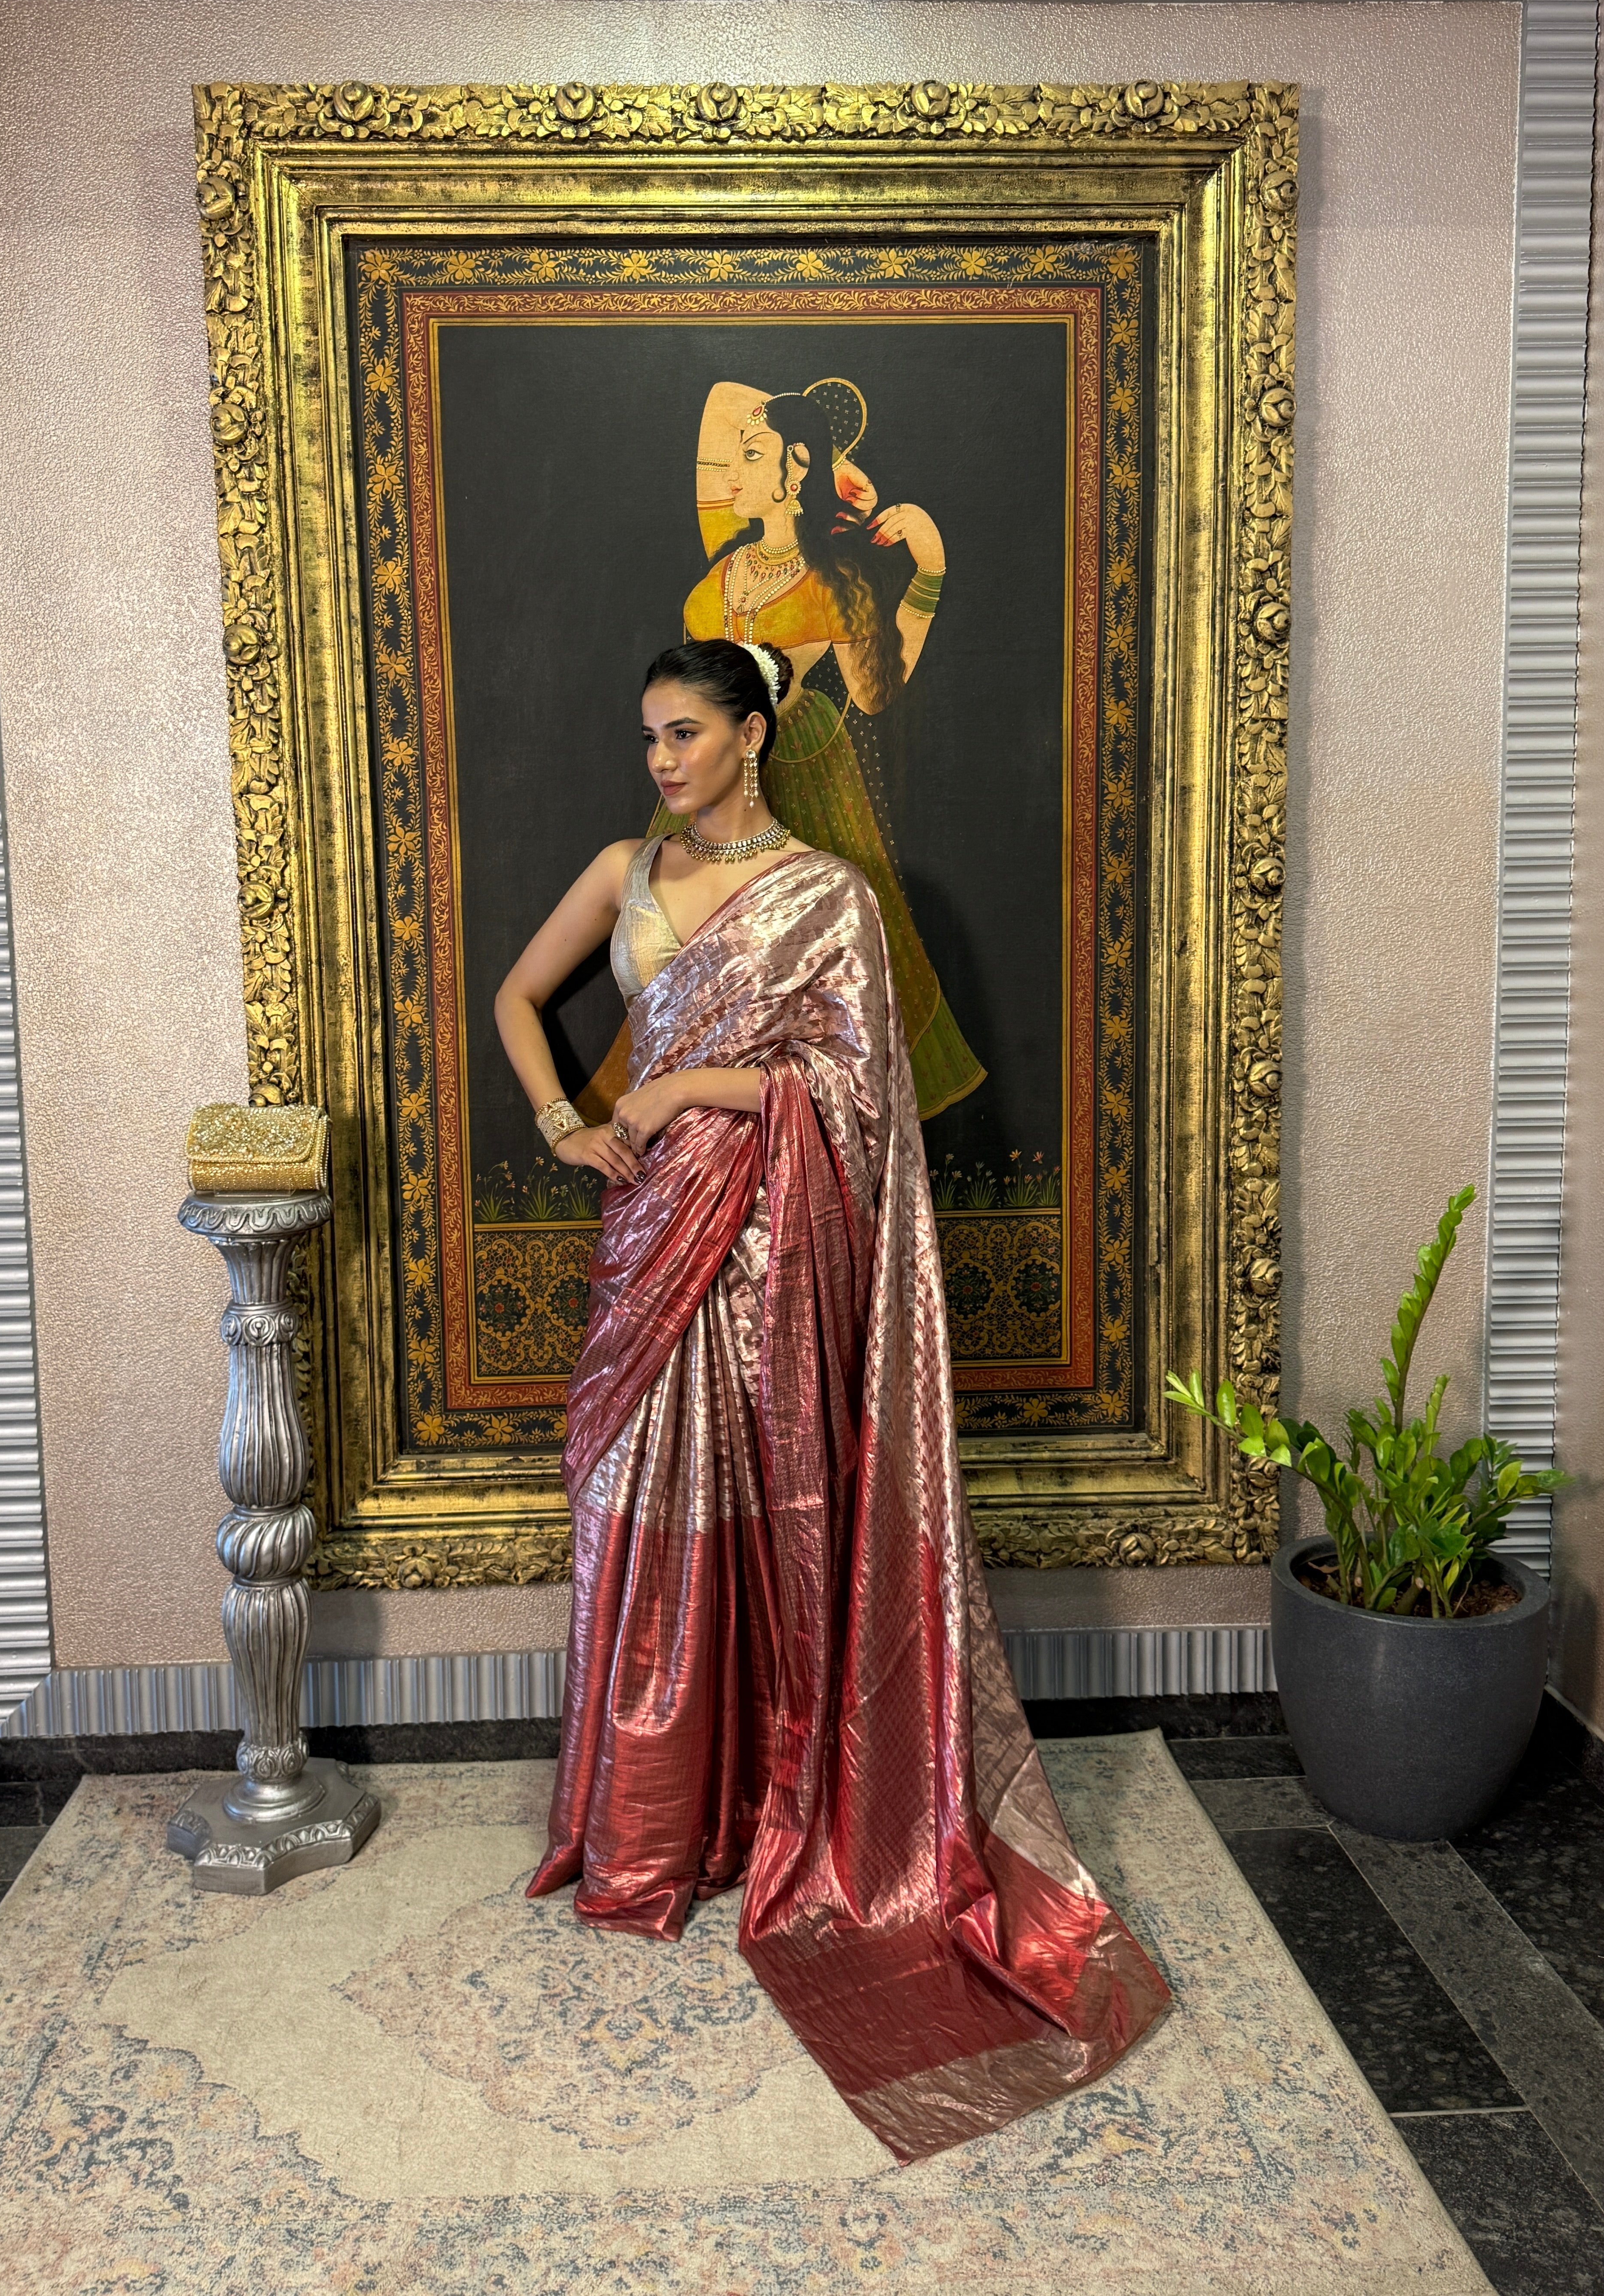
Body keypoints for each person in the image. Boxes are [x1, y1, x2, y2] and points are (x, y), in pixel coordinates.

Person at [493, 637, 1169, 2164]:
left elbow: (855, 1093)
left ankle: (771, 1810)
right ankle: (652, 1828)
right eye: (647, 736)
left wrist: (680, 1092)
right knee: (641, 1522)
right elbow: (516, 997)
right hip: (650, 1232)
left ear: (754, 733)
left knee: (773, 1524)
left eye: (683, 733)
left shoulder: (829, 900)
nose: (659, 759)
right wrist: (566, 1117)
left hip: (774, 1256)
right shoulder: (625, 868)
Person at [683, 380, 984, 1123]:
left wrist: (930, 573)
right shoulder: (715, 582)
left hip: (807, 770)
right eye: (732, 459)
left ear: (798, 467)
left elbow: (878, 692)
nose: (733, 476)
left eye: (752, 457)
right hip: (719, 780)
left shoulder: (835, 579)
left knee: (822, 962)